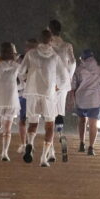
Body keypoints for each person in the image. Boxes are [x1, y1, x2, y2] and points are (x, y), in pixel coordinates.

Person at [17, 28, 66, 167]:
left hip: (32, 92)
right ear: (51, 41)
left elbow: (20, 71)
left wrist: (27, 79)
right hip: (48, 94)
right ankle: (44, 158)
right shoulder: (55, 57)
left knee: (33, 123)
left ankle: (30, 144)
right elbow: (63, 77)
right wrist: (57, 87)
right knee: (49, 125)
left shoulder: (31, 53)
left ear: (39, 40)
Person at [0, 42, 21, 161]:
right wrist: (16, 88)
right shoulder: (17, 66)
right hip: (11, 99)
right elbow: (21, 82)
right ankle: (5, 153)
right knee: (8, 129)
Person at [48, 19, 77, 162]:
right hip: (63, 81)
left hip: (50, 82)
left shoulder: (47, 45)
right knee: (60, 110)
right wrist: (68, 77)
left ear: (49, 30)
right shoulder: (67, 45)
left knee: (49, 114)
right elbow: (73, 62)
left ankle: (51, 150)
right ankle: (60, 134)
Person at [72, 49, 100, 156]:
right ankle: (91, 147)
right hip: (95, 100)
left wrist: (72, 97)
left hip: (81, 99)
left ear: (83, 59)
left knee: (81, 121)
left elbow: (73, 85)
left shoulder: (78, 70)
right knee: (93, 124)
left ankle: (81, 143)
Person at [16, 38, 37, 154]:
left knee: (27, 120)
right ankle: (26, 144)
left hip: (27, 94)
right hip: (26, 93)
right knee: (25, 120)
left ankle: (28, 144)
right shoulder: (20, 59)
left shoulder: (22, 59)